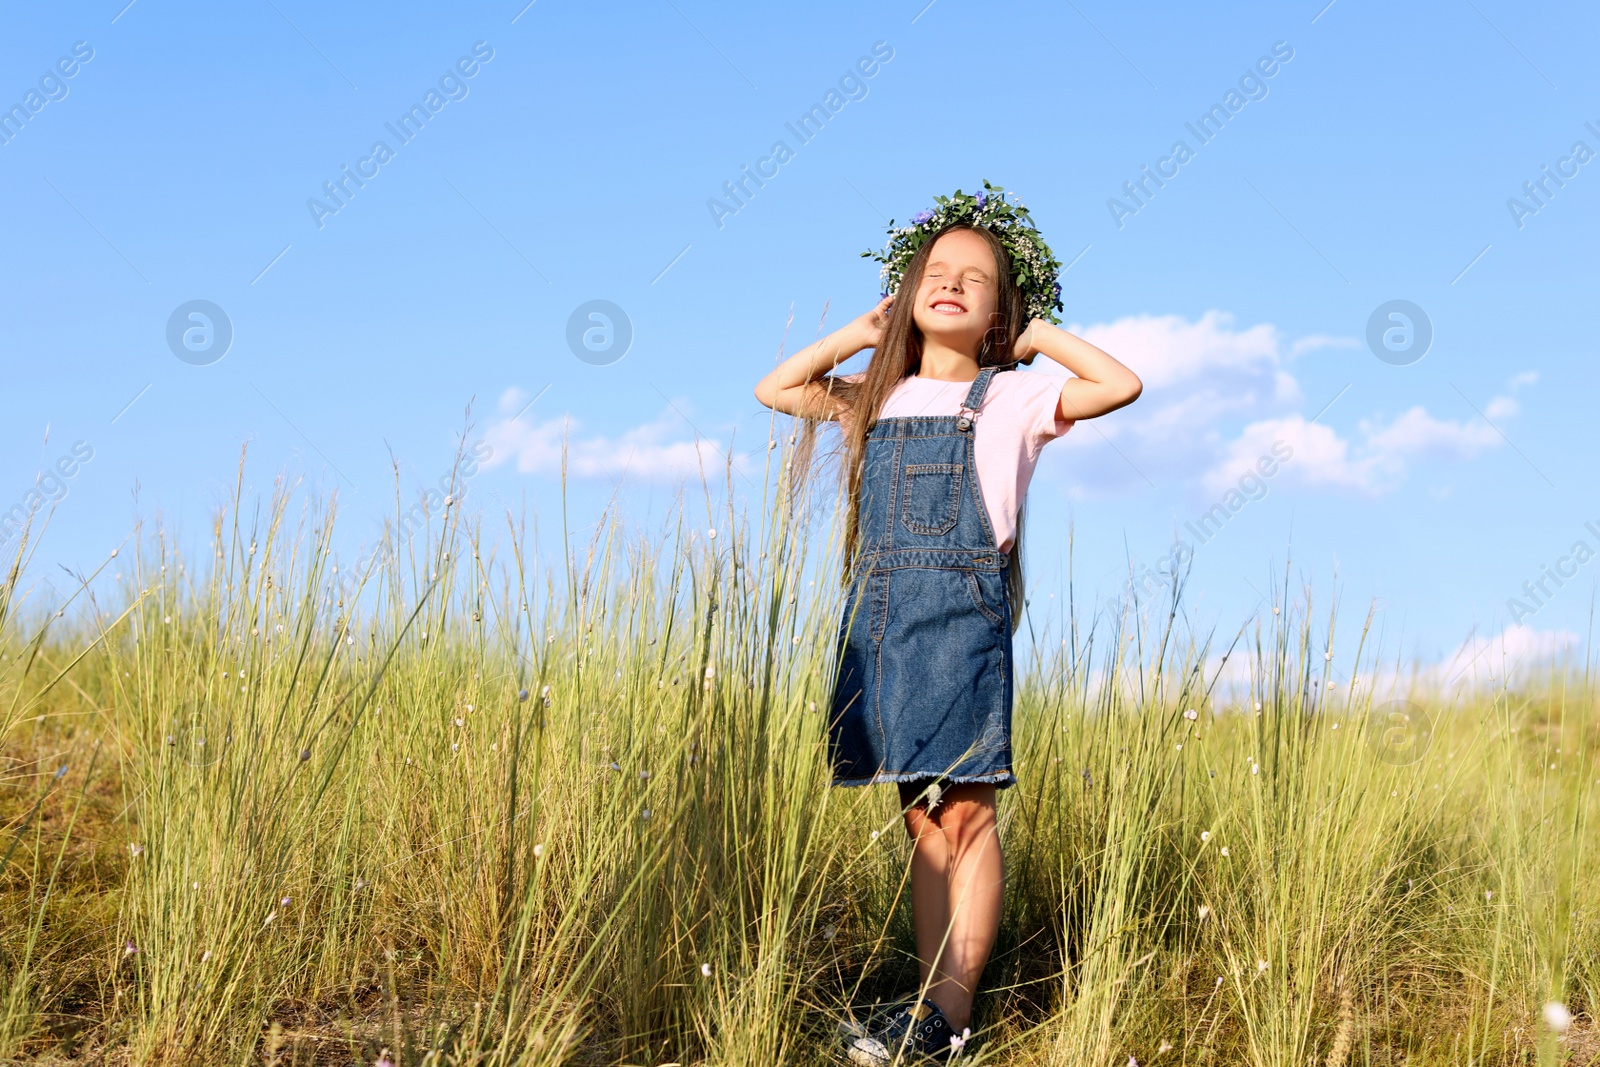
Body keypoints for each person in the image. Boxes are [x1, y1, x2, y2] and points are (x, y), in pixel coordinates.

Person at [753, 184, 1142, 1064]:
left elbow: (1119, 382)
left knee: (966, 815)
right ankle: (933, 1011)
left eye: (978, 278)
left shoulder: (1014, 399)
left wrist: (1035, 335)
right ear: (908, 293)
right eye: (937, 271)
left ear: (1001, 308)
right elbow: (775, 387)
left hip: (964, 621)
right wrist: (861, 331)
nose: (954, 284)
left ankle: (950, 1021)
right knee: (920, 822)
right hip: (883, 623)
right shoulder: (874, 397)